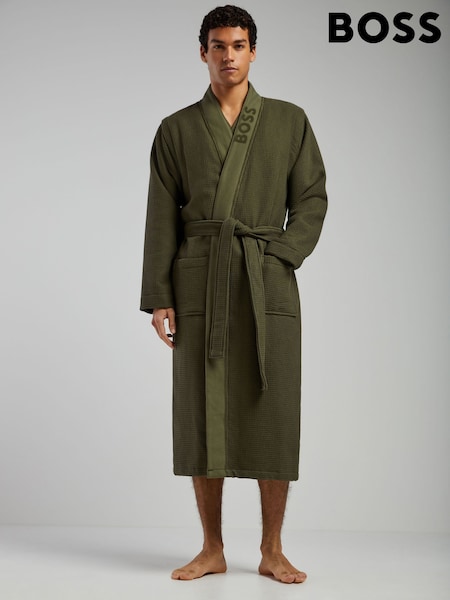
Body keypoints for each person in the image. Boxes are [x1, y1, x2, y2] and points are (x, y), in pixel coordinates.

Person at [141, 5, 327, 584]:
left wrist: (281, 255)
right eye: (218, 45)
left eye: (239, 45)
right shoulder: (176, 129)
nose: (229, 56)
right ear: (203, 52)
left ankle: (272, 548)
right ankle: (212, 548)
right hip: (201, 279)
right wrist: (160, 295)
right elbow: (161, 216)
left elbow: (312, 199)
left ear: (253, 52)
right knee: (204, 412)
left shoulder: (290, 121)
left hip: (265, 279)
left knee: (274, 411)